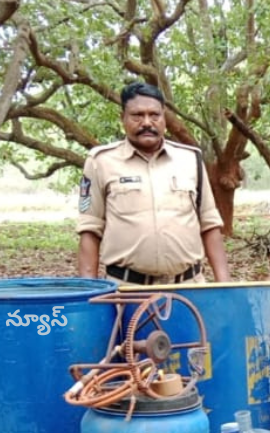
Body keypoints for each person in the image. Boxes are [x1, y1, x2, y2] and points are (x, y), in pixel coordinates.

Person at [77, 82, 230, 284]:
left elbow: (209, 224)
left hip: (189, 289)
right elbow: (90, 228)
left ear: (164, 117)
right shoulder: (101, 162)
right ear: (122, 118)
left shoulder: (190, 159)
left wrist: (226, 286)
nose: (147, 122)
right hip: (125, 290)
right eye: (137, 115)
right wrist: (90, 293)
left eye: (154, 115)